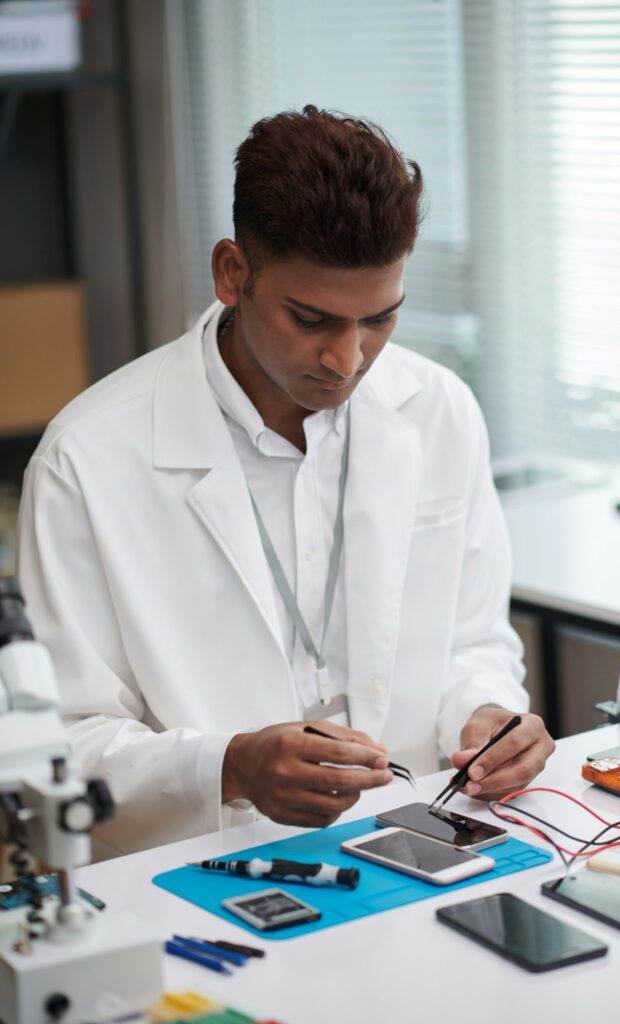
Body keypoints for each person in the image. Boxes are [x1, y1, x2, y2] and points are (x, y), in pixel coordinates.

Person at [17, 106, 554, 855]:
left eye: (380, 320)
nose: (348, 360)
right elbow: (59, 743)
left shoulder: (437, 410)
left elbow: (473, 640)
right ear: (233, 273)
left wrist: (489, 714)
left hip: (412, 843)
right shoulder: (88, 457)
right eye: (312, 320)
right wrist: (229, 766)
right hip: (196, 870)